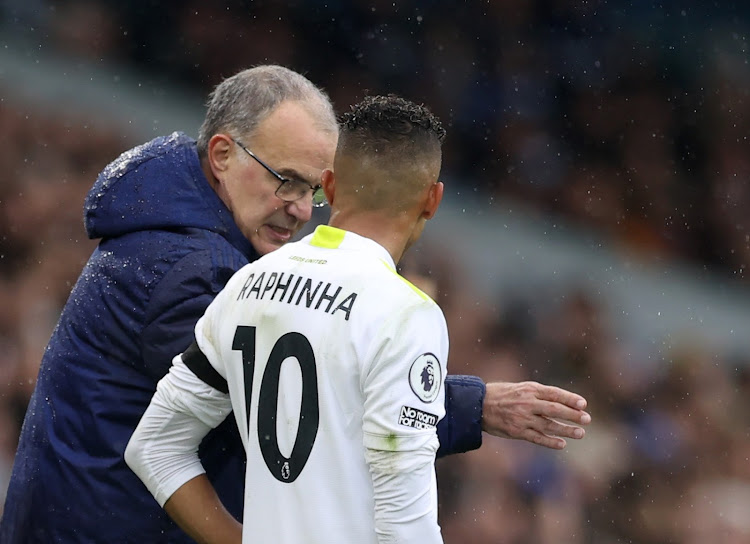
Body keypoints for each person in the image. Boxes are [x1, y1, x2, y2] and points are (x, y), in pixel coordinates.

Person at [1, 65, 589, 543]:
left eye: (311, 189)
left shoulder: (201, 246)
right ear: (223, 155)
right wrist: (466, 403)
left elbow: (179, 433)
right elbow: (291, 409)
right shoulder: (192, 267)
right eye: (285, 179)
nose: (301, 208)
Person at [126, 93, 452, 543]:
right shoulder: (406, 314)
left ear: (331, 185)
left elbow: (155, 448)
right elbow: (405, 525)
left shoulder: (248, 283)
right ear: (432, 200)